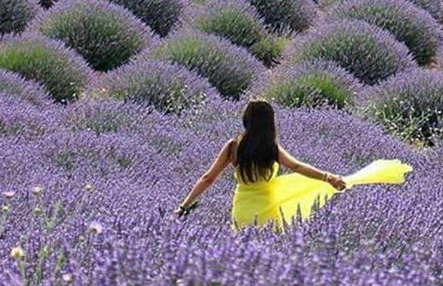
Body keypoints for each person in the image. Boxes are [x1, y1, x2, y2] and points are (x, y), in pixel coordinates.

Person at [175, 99, 412, 232]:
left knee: (242, 254)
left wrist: (184, 206)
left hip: (242, 209)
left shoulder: (233, 147)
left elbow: (208, 178)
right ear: (270, 122)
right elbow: (298, 167)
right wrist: (329, 177)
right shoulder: (271, 147)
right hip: (268, 208)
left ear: (246, 119)